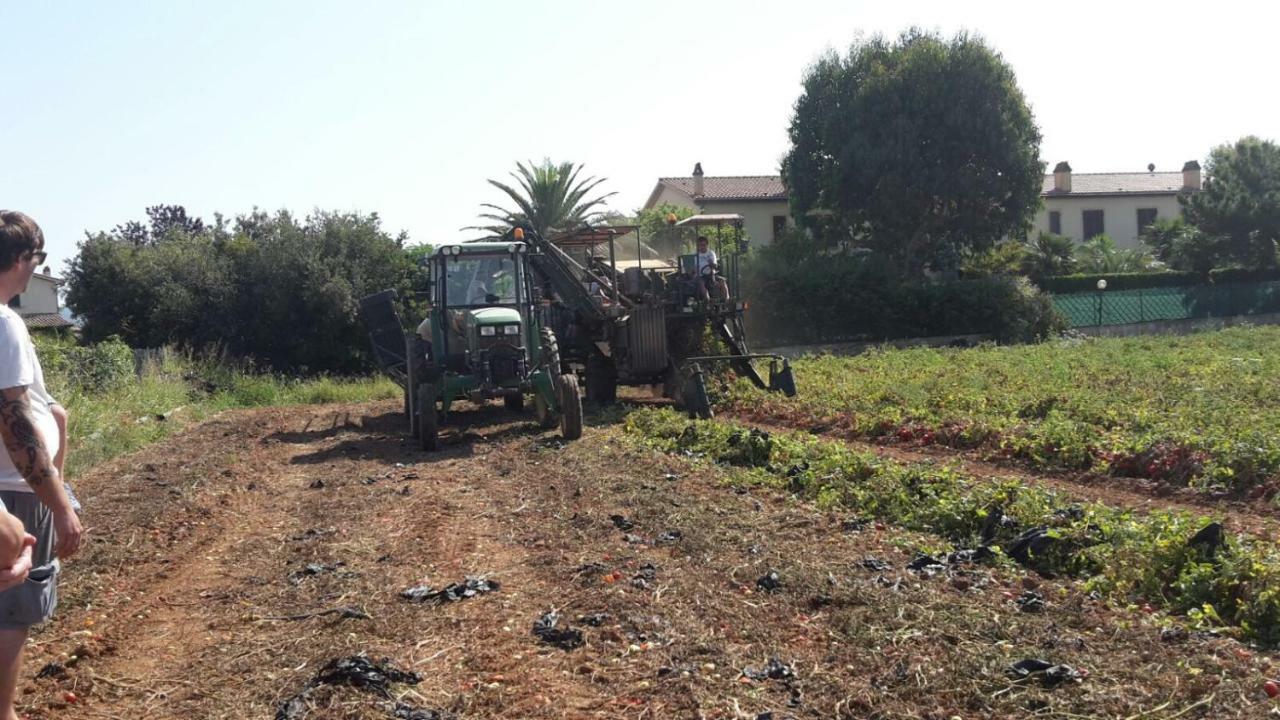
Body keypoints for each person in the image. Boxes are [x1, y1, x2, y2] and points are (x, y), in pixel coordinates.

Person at [0, 211, 83, 720]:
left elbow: (45, 412)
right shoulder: (4, 323)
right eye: (37, 259)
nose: (35, 271)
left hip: (16, 488)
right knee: (11, 613)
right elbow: (15, 425)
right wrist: (61, 504)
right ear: (20, 259)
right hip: (15, 493)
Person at [692, 235, 729, 301]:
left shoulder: (711, 253)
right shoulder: (695, 255)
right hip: (701, 276)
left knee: (722, 281)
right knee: (701, 283)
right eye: (700, 245)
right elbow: (694, 268)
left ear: (707, 245)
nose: (701, 247)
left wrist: (711, 264)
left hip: (712, 275)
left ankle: (726, 300)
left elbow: (715, 266)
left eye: (703, 245)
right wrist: (694, 273)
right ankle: (708, 301)